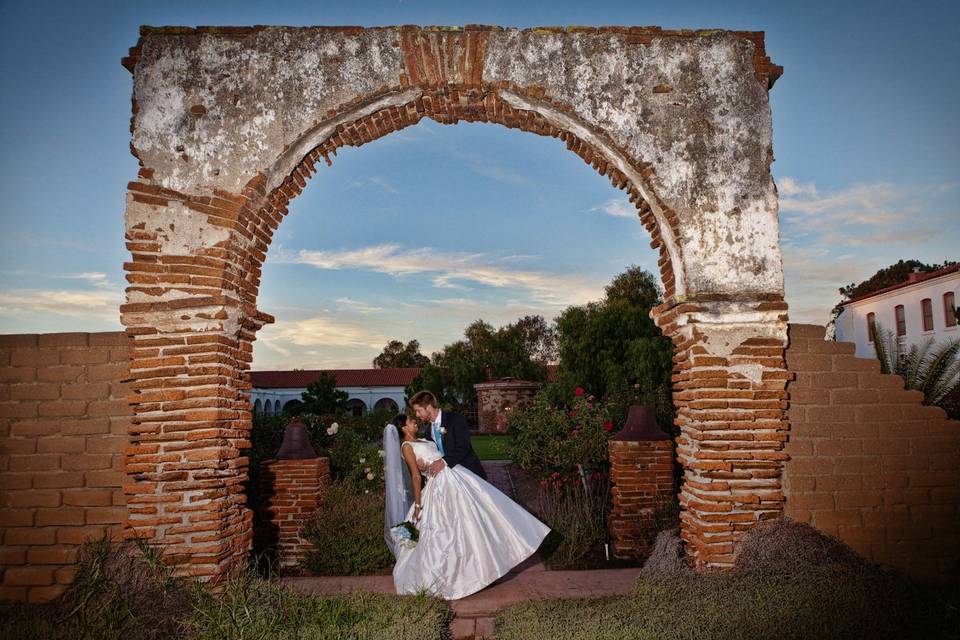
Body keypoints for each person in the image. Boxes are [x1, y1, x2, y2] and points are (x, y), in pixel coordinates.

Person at [383, 411, 550, 600]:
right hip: (438, 488)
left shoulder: (423, 438)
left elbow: (439, 455)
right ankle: (447, 576)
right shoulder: (406, 446)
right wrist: (419, 505)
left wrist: (432, 464)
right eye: (411, 421)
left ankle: (479, 570)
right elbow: (415, 476)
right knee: (443, 532)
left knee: (473, 521)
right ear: (404, 427)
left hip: (455, 479)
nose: (415, 422)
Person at [410, 390, 486, 480]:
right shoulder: (428, 432)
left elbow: (464, 447)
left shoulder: (455, 419)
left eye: (418, 411)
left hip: (469, 474)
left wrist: (443, 461)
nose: (417, 415)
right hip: (448, 478)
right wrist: (425, 466)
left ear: (429, 407)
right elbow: (434, 455)